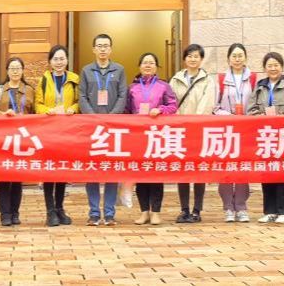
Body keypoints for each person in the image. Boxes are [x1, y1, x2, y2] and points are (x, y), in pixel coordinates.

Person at [246, 52, 284, 224]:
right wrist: (262, 116)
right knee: (266, 174)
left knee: (282, 173)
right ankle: (269, 211)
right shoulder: (260, 87)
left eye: (276, 65)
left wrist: (283, 117)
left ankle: (282, 211)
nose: (273, 68)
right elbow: (250, 110)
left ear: (282, 67)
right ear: (265, 68)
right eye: (269, 65)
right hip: (265, 136)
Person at [78, 33, 127, 226]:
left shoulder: (119, 70)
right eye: (99, 46)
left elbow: (123, 95)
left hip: (113, 127)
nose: (103, 49)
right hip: (92, 127)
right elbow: (82, 96)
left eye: (106, 46)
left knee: (111, 170)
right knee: (92, 169)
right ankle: (93, 213)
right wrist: (93, 117)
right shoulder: (86, 71)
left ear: (111, 49)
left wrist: (111, 117)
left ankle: (109, 213)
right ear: (94, 49)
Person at [126, 52, 177, 225]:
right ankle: (144, 212)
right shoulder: (132, 87)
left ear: (156, 67)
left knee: (155, 173)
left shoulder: (164, 86)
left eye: (151, 63)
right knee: (140, 173)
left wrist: (160, 110)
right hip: (138, 136)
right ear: (139, 66)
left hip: (157, 135)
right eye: (145, 62)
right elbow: (126, 111)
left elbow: (173, 106)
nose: (148, 65)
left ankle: (155, 212)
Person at [170, 43, 218, 223]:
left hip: (199, 130)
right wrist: (179, 122)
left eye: (196, 56)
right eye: (189, 56)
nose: (192, 59)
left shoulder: (208, 80)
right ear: (184, 59)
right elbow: (171, 102)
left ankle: (197, 210)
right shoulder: (175, 80)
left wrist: (194, 123)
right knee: (182, 170)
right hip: (180, 131)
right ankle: (184, 209)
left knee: (199, 169)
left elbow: (207, 103)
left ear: (201, 59)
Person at [34, 44, 79, 227]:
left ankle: (60, 208)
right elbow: (37, 104)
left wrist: (73, 108)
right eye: (55, 59)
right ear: (50, 62)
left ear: (67, 60)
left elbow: (79, 101)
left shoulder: (74, 79)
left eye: (62, 58)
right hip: (49, 131)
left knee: (62, 170)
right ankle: (50, 210)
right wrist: (47, 110)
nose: (59, 62)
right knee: (49, 170)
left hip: (67, 131)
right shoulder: (44, 80)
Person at [214, 42, 255, 223]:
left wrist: (247, 117)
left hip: (246, 130)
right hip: (226, 130)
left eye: (240, 56)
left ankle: (241, 207)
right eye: (234, 56)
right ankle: (228, 208)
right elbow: (214, 107)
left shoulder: (253, 78)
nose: (237, 59)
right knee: (226, 169)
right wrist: (229, 116)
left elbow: (256, 103)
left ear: (245, 58)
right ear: (228, 59)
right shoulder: (221, 79)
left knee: (242, 168)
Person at [0, 56, 34, 226]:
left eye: (18, 68)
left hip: (22, 139)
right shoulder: (0, 90)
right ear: (7, 71)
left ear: (22, 71)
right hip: (4, 139)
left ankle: (15, 212)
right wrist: (3, 114)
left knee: (17, 177)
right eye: (12, 68)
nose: (15, 71)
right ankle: (5, 214)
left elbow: (35, 113)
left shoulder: (29, 90)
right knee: (3, 176)